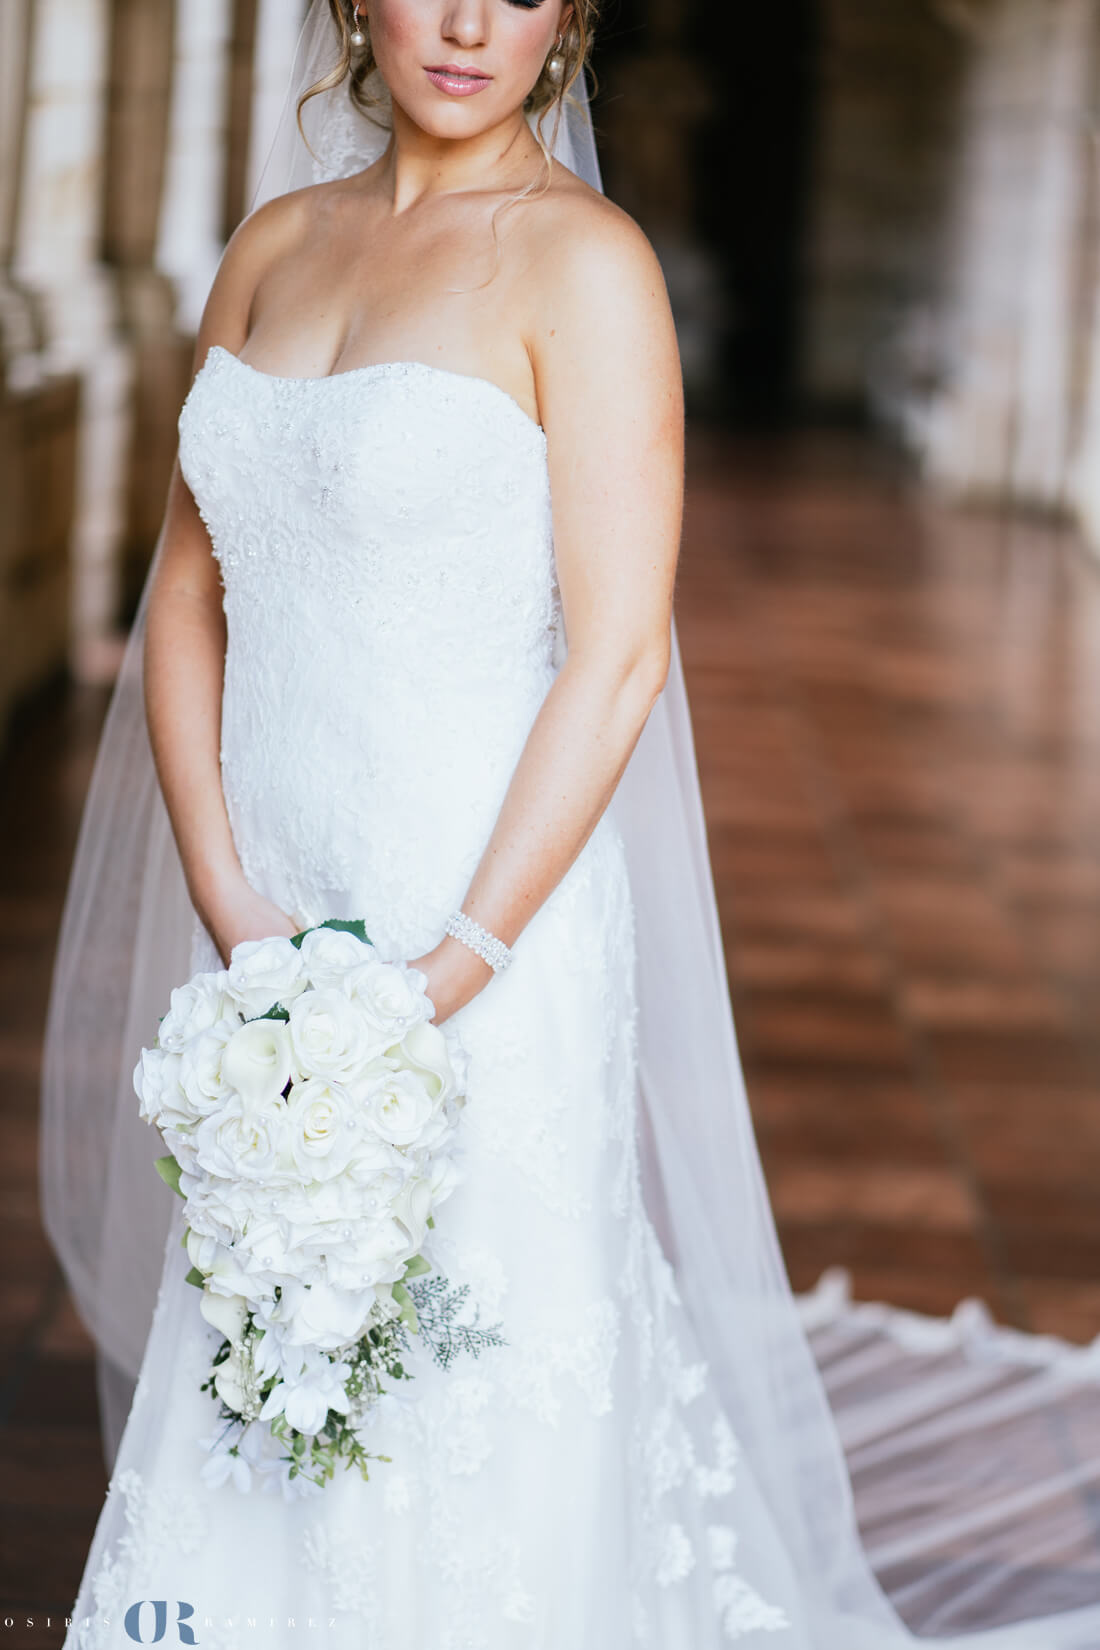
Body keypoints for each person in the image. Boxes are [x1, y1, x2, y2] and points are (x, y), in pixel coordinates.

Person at [39, 4, 1100, 1647]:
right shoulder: (268, 248)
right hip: (273, 927)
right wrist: (229, 894)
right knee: (272, 1321)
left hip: (484, 926)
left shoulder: (586, 266)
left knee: (473, 1363)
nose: (468, 23)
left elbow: (617, 660)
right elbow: (190, 593)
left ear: (571, 20)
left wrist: (441, 975)